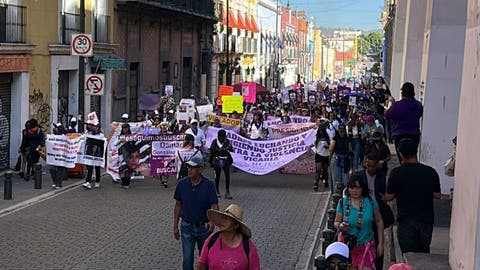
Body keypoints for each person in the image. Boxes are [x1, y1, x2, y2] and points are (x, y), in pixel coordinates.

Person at [384, 138, 441, 254]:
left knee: (409, 256)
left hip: (406, 220)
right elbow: (437, 195)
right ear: (416, 152)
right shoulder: (430, 172)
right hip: (426, 220)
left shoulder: (396, 173)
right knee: (424, 254)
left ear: (401, 154)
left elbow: (389, 197)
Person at [173, 156, 219, 270]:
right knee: (187, 260)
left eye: (193, 168)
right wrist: (175, 226)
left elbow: (214, 205)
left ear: (200, 170)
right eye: (188, 167)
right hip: (186, 226)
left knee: (204, 260)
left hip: (204, 228)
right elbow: (178, 205)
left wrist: (212, 221)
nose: (189, 170)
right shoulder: (182, 184)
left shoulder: (209, 185)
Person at [334, 173, 384, 270]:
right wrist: (340, 226)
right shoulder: (342, 203)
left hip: (367, 246)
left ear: (362, 188)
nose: (355, 191)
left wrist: (381, 244)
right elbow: (336, 222)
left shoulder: (370, 201)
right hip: (348, 247)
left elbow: (379, 221)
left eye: (358, 188)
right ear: (348, 189)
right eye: (352, 188)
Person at [197, 204, 260, 270]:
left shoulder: (248, 246)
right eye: (223, 217)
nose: (223, 221)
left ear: (236, 225)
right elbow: (201, 265)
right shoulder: (211, 241)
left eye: (227, 219)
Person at [361, 154, 388, 270]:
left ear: (377, 165)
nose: (371, 169)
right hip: (363, 214)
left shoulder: (382, 176)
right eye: (368, 166)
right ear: (365, 164)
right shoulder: (360, 176)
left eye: (373, 166)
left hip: (377, 211)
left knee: (377, 244)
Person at [384, 82, 423, 161]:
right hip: (414, 135)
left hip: (400, 134)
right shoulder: (418, 105)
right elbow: (419, 114)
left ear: (402, 93)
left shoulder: (397, 105)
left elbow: (387, 115)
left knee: (402, 159)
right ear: (413, 93)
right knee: (412, 157)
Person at [209, 129, 234, 199]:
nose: (222, 139)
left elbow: (232, 149)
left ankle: (227, 191)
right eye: (221, 137)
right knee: (217, 176)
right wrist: (212, 161)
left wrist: (229, 148)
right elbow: (211, 151)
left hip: (226, 160)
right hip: (217, 160)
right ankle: (217, 191)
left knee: (227, 176)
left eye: (223, 137)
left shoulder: (227, 141)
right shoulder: (214, 142)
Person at [82, 113, 104, 190]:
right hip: (89, 153)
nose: (93, 127)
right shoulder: (88, 133)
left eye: (94, 126)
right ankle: (88, 182)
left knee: (97, 167)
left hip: (97, 153)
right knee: (89, 167)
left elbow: (101, 144)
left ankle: (97, 181)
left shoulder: (100, 135)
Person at [329, 124, 350, 191]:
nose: (342, 133)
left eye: (343, 131)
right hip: (337, 159)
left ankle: (344, 194)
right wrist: (329, 160)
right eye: (340, 131)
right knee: (337, 179)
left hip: (345, 159)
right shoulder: (335, 138)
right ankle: (336, 195)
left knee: (345, 179)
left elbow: (350, 149)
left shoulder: (347, 139)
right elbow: (331, 149)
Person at [49, 123, 68, 189]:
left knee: (60, 170)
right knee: (52, 169)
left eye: (56, 128)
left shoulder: (64, 137)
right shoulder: (53, 137)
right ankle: (55, 181)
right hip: (54, 156)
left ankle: (59, 184)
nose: (55, 129)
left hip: (61, 156)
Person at [313, 122, 330, 190]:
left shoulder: (327, 135)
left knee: (325, 169)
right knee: (318, 169)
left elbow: (331, 143)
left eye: (322, 129)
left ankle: (326, 181)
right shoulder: (316, 136)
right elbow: (314, 143)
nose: (321, 131)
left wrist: (327, 146)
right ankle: (316, 183)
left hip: (326, 154)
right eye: (320, 129)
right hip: (319, 154)